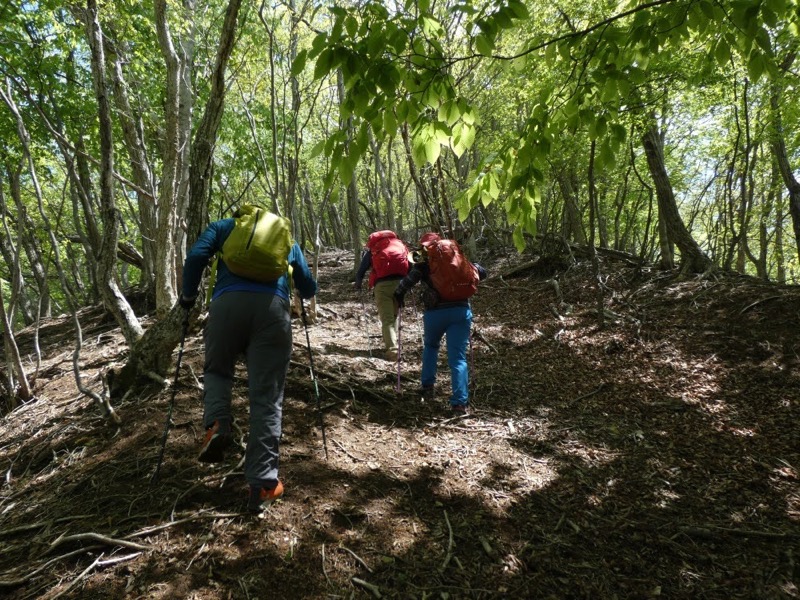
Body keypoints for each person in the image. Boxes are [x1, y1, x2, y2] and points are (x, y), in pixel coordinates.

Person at [179, 211, 317, 513]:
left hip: (226, 307)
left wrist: (187, 298)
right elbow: (307, 284)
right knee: (267, 398)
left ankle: (217, 422)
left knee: (217, 369)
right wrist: (306, 291)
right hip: (273, 313)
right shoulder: (285, 237)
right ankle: (263, 485)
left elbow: (195, 257)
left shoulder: (223, 227)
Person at [393, 232, 487, 416]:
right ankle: (459, 404)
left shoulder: (423, 264)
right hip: (460, 312)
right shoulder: (457, 259)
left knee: (431, 347)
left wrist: (399, 297)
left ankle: (428, 386)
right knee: (458, 358)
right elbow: (481, 273)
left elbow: (404, 285)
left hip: (434, 313)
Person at [353, 230, 410, 361]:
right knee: (394, 316)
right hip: (401, 284)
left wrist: (358, 282)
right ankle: (394, 344)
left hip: (382, 286)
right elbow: (410, 264)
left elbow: (362, 269)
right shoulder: (400, 245)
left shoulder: (374, 249)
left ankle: (393, 350)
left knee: (387, 319)